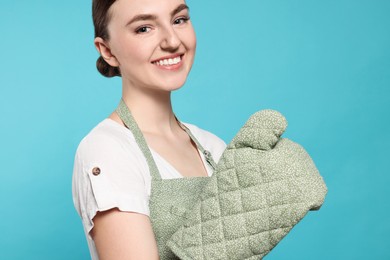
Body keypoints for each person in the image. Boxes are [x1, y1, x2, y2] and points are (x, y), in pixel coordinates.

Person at [72, 0, 226, 259]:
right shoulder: (108, 150)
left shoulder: (213, 146)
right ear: (107, 50)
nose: (172, 41)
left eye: (179, 20)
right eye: (144, 28)